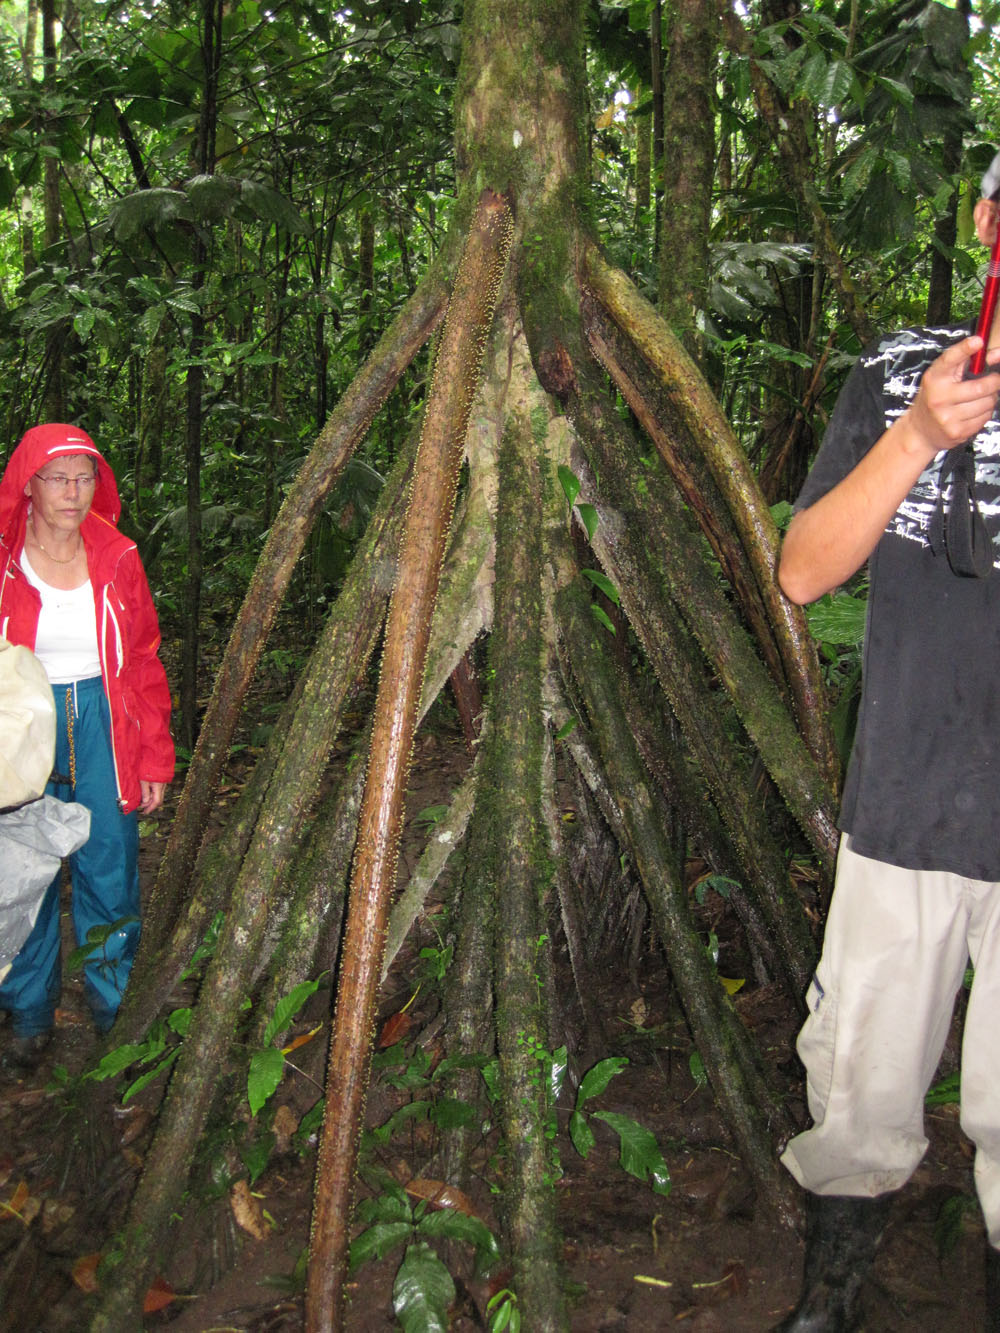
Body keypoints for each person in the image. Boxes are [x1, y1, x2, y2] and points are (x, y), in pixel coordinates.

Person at [774, 153, 1000, 1331]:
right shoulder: (897, 369)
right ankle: (833, 1299)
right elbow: (801, 573)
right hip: (907, 803)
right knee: (859, 1085)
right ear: (986, 220)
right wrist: (915, 434)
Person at [0, 423, 174, 1067]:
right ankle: (28, 1014)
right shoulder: (5, 559)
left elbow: (144, 657)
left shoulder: (118, 555)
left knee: (109, 865)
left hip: (105, 721)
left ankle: (113, 1011)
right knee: (24, 871)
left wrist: (154, 756)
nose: (73, 492)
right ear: (29, 484)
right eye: (58, 478)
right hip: (23, 724)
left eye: (85, 477)